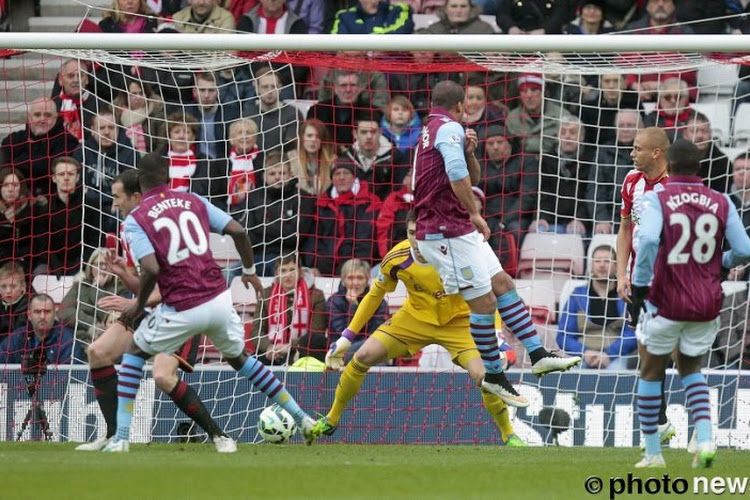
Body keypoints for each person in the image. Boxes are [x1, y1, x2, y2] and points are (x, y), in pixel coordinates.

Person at [101, 153, 320, 452]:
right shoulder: (193, 199)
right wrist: (249, 271)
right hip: (218, 299)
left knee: (134, 355)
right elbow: (239, 231)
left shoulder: (136, 219)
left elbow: (151, 268)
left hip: (182, 306)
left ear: (140, 181)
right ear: (168, 176)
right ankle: (303, 418)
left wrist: (138, 306)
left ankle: (121, 438)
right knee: (243, 361)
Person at [410, 80, 580, 407]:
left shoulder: (431, 129)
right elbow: (457, 173)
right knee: (484, 304)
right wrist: (475, 212)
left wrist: (470, 152)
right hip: (445, 230)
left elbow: (469, 173)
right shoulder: (450, 128)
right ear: (460, 105)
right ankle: (494, 375)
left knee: (502, 283)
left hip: (456, 229)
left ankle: (538, 353)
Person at [318, 212, 526, 446]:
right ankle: (332, 418)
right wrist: (347, 336)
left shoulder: (458, 253)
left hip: (460, 323)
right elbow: (375, 294)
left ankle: (508, 434)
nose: (416, 240)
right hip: (414, 320)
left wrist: (496, 334)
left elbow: (486, 295)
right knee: (362, 356)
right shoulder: (397, 257)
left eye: (421, 233)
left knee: (484, 377)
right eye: (411, 233)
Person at [74, 169, 237, 452]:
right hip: (150, 310)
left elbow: (172, 287)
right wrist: (122, 276)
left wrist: (134, 304)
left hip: (182, 310)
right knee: (97, 352)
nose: (114, 204)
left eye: (117, 197)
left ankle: (219, 436)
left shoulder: (161, 223)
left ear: (136, 196)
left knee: (162, 376)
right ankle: (114, 437)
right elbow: (143, 283)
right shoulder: (129, 227)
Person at [629, 139, 750, 468]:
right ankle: (706, 438)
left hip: (667, 301)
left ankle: (653, 452)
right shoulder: (722, 200)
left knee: (650, 371)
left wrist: (640, 287)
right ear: (699, 167)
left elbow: (651, 239)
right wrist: (720, 261)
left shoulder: (659, 198)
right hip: (707, 301)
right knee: (691, 369)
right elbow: (745, 249)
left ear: (670, 162)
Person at [616, 126, 676, 444]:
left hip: (675, 280)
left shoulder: (679, 187)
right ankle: (660, 422)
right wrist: (621, 274)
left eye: (637, 148)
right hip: (641, 282)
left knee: (679, 353)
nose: (631, 153)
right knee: (646, 352)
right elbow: (626, 229)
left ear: (656, 153)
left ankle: (702, 423)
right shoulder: (631, 182)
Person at [557, 245, 637, 369]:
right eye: (597, 261)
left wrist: (609, 355)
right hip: (583, 356)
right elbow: (563, 336)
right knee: (574, 373)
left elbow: (633, 333)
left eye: (607, 261)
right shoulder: (577, 296)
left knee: (616, 372)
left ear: (616, 266)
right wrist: (584, 352)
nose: (602, 265)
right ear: (591, 266)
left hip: (617, 356)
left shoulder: (627, 296)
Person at [250, 254, 327, 365]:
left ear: (300, 272)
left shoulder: (316, 295)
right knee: (251, 364)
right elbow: (256, 331)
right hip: (271, 351)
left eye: (292, 270)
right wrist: (269, 347)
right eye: (283, 270)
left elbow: (316, 332)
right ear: (277, 273)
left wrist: (289, 346)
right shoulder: (266, 294)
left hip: (302, 351)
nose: (288, 275)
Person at [60, 248, 126, 346]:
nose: (102, 268)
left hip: (111, 339)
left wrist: (96, 288)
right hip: (79, 339)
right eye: (98, 264)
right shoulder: (80, 286)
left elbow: (110, 316)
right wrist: (93, 324)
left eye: (106, 264)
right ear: (90, 267)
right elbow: (65, 312)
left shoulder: (121, 288)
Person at [0, 293, 85, 365]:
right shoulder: (17, 337)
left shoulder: (68, 340)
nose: (42, 316)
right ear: (29, 315)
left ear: (54, 314)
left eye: (47, 311)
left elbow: (73, 376)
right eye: (37, 312)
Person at [326, 258, 387, 358]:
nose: (355, 282)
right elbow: (343, 333)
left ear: (367, 279)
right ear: (343, 280)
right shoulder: (333, 302)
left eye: (360, 278)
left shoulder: (379, 302)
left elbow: (376, 334)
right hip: (341, 351)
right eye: (350, 278)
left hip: (370, 351)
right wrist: (353, 306)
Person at [0, 261, 28, 345]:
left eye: (13, 286)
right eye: (3, 286)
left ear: (23, 286)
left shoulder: (31, 306)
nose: (8, 291)